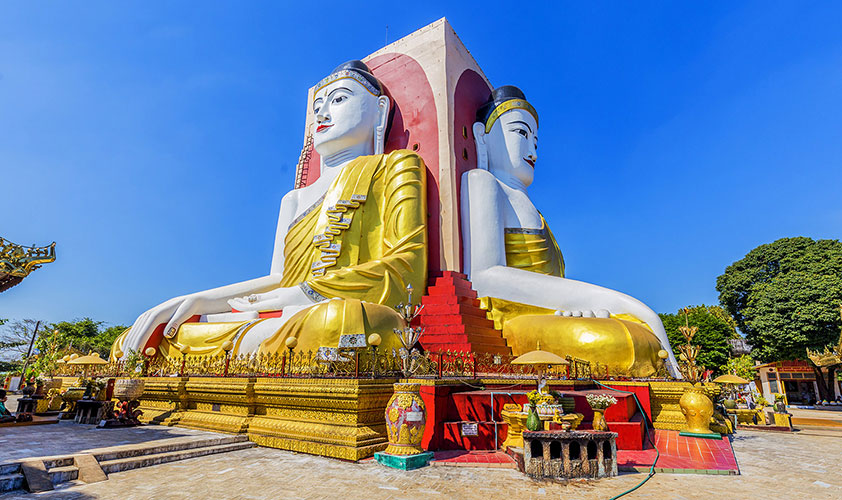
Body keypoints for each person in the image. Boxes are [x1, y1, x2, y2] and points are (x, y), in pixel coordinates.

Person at [113, 61, 428, 358]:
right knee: (140, 337)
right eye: (317, 108)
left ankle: (265, 345)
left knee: (342, 323)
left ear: (380, 110)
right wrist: (200, 300)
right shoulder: (293, 199)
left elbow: (406, 270)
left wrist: (299, 295)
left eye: (338, 100)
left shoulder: (395, 166)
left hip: (323, 316)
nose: (321, 115)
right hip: (281, 324)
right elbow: (279, 277)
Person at [461, 85, 679, 378]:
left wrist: (573, 306)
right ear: (481, 136)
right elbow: (485, 275)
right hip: (509, 316)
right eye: (521, 134)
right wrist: (628, 304)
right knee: (617, 342)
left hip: (547, 313)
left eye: (536, 141)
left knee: (631, 331)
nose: (533, 151)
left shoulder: (535, 211)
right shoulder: (484, 182)